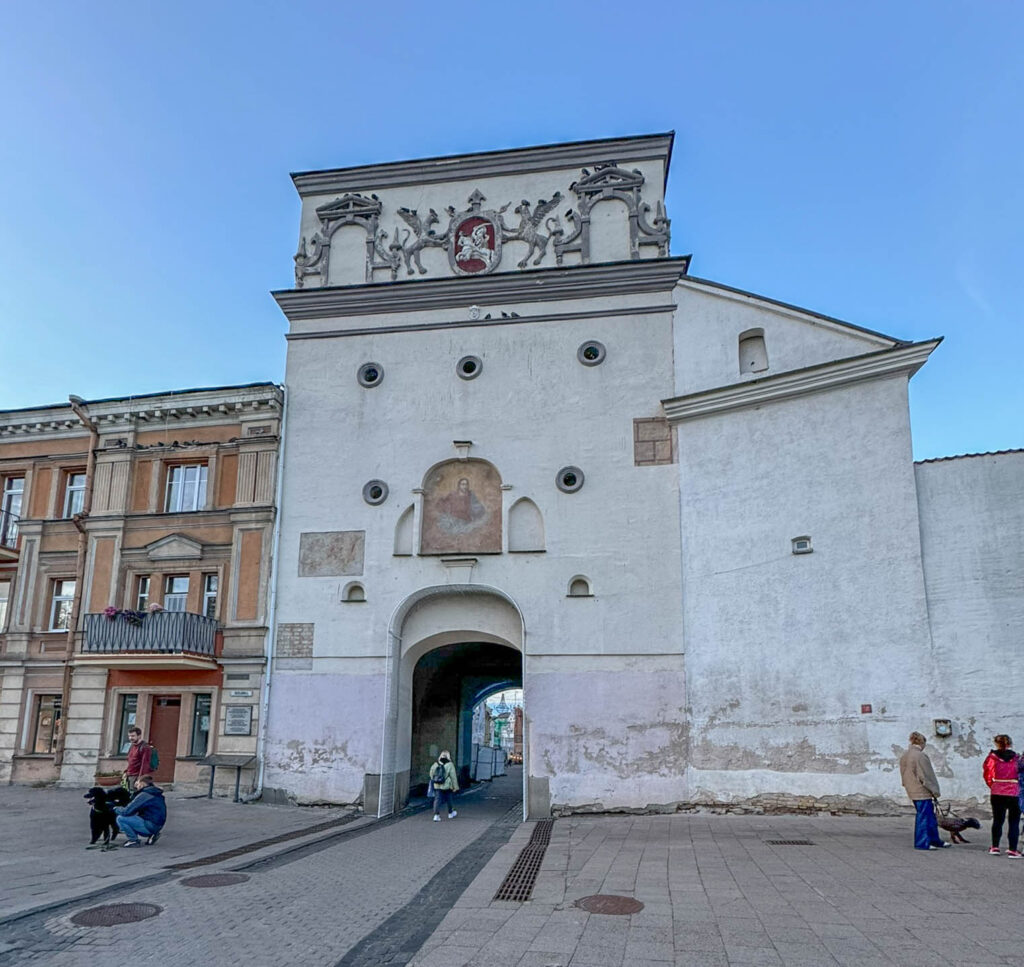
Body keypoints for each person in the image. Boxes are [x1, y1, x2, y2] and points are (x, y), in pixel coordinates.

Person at [899, 731, 950, 850]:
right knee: (923, 816)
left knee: (929, 816)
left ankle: (934, 839)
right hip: (921, 790)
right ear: (922, 743)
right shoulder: (920, 756)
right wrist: (935, 791)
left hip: (911, 788)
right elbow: (926, 776)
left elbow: (903, 773)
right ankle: (922, 842)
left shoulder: (905, 755)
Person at [983, 734, 1021, 857]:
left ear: (996, 743)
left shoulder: (992, 758)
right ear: (1010, 743)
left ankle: (995, 847)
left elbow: (987, 774)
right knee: (1014, 822)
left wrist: (993, 785)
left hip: (997, 791)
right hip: (1014, 791)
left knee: (998, 820)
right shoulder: (1017, 758)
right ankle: (1013, 849)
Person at [114, 776, 166, 847]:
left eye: (137, 783)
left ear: (142, 783)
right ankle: (153, 834)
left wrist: (115, 808)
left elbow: (126, 811)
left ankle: (133, 841)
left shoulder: (144, 795)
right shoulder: (154, 793)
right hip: (158, 825)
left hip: (150, 825)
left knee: (121, 818)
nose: (136, 785)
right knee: (135, 816)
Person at [431, 750, 459, 822]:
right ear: (448, 756)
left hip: (437, 785)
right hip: (447, 786)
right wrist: (455, 787)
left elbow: (431, 774)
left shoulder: (436, 764)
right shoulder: (450, 765)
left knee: (437, 800)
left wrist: (436, 780)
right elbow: (453, 777)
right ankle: (450, 813)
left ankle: (436, 815)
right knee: (449, 799)